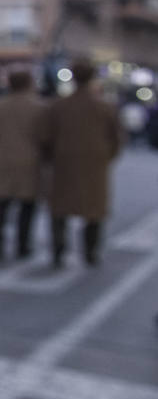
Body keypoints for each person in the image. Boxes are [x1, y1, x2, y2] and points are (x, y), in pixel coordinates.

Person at [38, 60, 123, 267]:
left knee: (60, 209)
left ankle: (58, 251)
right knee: (93, 210)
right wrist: (106, 157)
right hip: (95, 164)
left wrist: (52, 158)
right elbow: (117, 138)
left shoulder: (58, 106)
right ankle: (90, 252)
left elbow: (46, 137)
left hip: (63, 163)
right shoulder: (104, 106)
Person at [0, 69, 44, 263]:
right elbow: (46, 136)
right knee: (27, 207)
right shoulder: (39, 107)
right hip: (30, 162)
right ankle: (22, 245)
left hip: (3, 161)